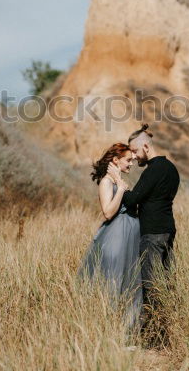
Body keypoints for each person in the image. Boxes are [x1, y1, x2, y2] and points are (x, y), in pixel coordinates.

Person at [108, 124, 180, 335]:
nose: (135, 157)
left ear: (146, 147)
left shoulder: (153, 171)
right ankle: (167, 330)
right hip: (168, 230)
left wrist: (118, 182)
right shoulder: (171, 169)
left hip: (152, 233)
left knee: (151, 284)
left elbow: (132, 199)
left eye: (136, 151)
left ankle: (155, 335)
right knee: (166, 280)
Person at [77, 142, 142, 332]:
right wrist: (121, 188)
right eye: (128, 160)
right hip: (116, 237)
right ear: (115, 160)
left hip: (129, 235)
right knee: (114, 281)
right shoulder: (107, 182)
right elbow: (107, 212)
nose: (131, 164)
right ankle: (112, 331)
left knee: (130, 281)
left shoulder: (117, 180)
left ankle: (129, 332)